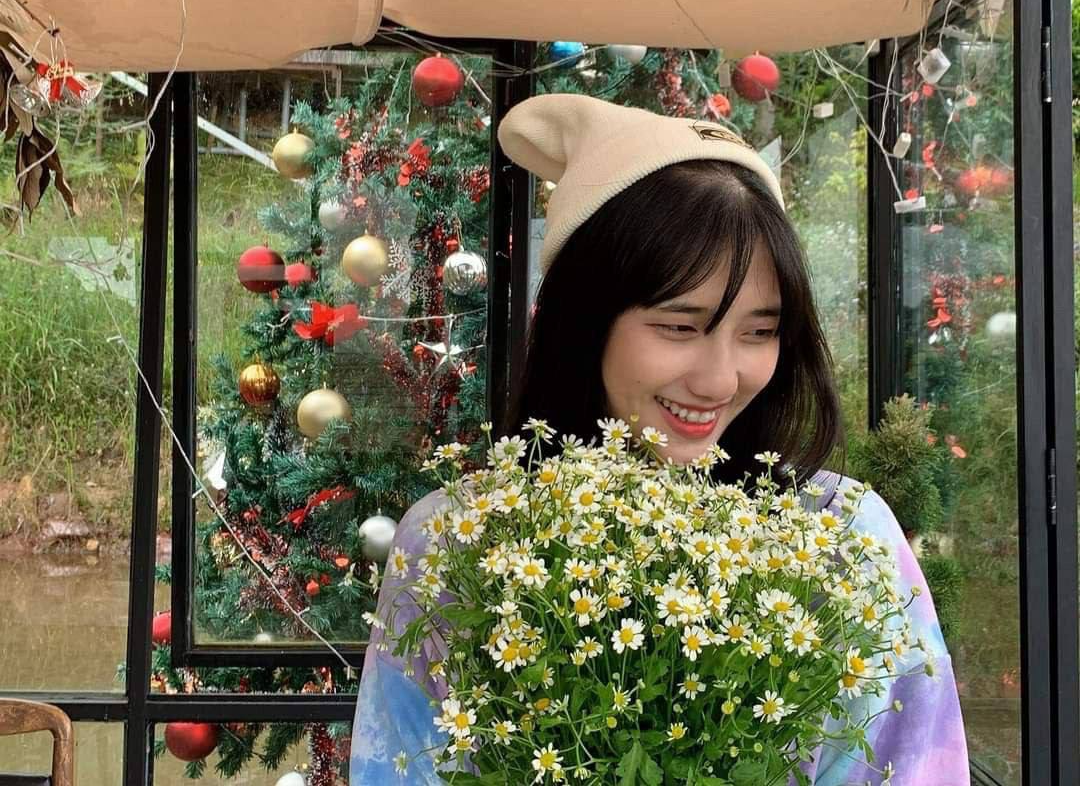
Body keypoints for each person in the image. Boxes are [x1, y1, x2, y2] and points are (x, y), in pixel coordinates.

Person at [350, 94, 968, 785]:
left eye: (760, 331)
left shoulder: (845, 537)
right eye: (679, 326)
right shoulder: (453, 542)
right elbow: (398, 766)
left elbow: (916, 765)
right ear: (584, 323)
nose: (720, 379)